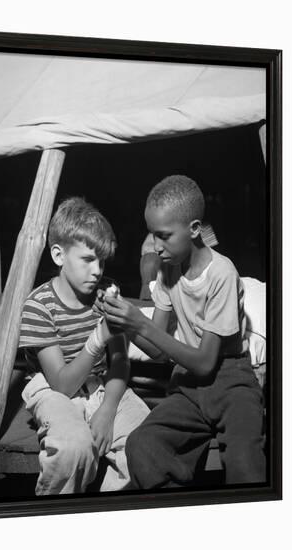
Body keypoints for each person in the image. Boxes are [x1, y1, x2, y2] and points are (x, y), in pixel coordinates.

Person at [102, 175, 266, 488]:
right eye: (152, 236)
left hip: (230, 380)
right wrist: (125, 323)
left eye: (164, 236)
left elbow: (206, 361)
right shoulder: (168, 269)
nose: (156, 248)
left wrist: (142, 323)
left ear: (193, 229)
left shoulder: (221, 273)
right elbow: (159, 351)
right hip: (187, 385)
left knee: (246, 463)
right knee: (142, 444)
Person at [18, 197, 149, 495]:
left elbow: (120, 362)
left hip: (104, 386)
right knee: (72, 449)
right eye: (88, 259)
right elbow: (62, 385)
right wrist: (98, 336)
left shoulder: (105, 294)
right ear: (58, 255)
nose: (97, 270)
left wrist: (107, 409)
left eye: (102, 261)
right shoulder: (39, 306)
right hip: (53, 391)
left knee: (147, 441)